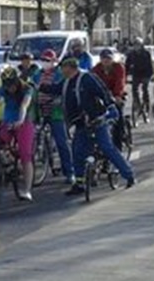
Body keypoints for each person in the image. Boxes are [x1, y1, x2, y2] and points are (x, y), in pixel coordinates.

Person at [56, 55, 134, 196]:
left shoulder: (87, 78)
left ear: (70, 67)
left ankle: (129, 175)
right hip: (80, 123)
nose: (61, 70)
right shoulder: (66, 82)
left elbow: (102, 91)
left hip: (97, 119)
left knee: (107, 147)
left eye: (62, 67)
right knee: (77, 151)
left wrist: (111, 106)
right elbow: (54, 89)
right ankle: (79, 183)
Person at [0, 66, 36, 201]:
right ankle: (12, 164)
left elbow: (24, 106)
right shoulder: (3, 89)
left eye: (12, 85)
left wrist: (20, 120)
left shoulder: (27, 89)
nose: (9, 88)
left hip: (23, 121)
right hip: (8, 120)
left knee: (25, 154)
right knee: (0, 143)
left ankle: (27, 189)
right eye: (6, 86)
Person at [36, 49, 73, 183]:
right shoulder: (37, 73)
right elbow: (32, 86)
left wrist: (58, 98)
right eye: (43, 60)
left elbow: (62, 89)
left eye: (48, 60)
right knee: (35, 137)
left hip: (55, 111)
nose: (45, 63)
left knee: (61, 141)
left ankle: (69, 172)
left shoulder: (59, 74)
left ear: (54, 61)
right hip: (40, 110)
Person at [92, 48, 128, 150]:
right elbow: (92, 83)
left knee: (117, 114)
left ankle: (119, 142)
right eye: (104, 59)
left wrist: (117, 95)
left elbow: (120, 82)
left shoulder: (118, 67)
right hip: (102, 95)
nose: (106, 61)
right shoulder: (96, 69)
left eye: (108, 59)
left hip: (116, 94)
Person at [125, 38, 154, 120]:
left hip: (145, 74)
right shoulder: (131, 54)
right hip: (136, 74)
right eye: (135, 45)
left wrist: (150, 76)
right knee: (134, 90)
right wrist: (125, 76)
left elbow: (150, 66)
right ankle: (137, 105)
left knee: (145, 88)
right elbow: (127, 66)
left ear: (141, 46)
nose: (136, 47)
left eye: (138, 45)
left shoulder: (146, 54)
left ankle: (147, 107)